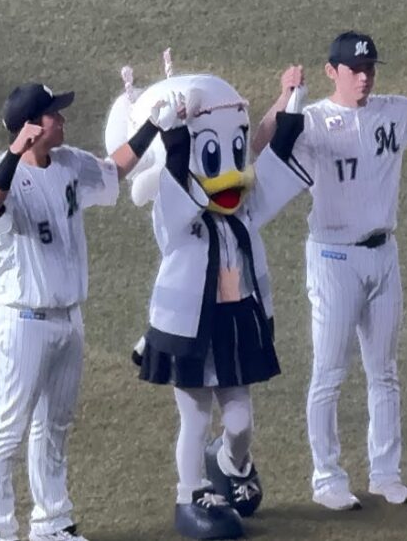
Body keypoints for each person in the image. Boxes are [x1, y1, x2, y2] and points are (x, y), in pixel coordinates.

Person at [252, 31, 407, 510]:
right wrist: (283, 95)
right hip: (333, 258)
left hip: (383, 254)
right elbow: (261, 142)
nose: (364, 77)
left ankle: (385, 473)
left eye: (370, 68)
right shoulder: (311, 120)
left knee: (385, 373)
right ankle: (328, 479)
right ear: (332, 72)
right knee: (329, 374)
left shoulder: (391, 110)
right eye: (355, 69)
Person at [125, 73, 313, 539]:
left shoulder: (242, 213)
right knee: (195, 416)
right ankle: (189, 493)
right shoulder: (175, 217)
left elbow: (275, 161)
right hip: (188, 329)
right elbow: (174, 176)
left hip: (235, 323)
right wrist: (174, 134)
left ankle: (230, 462)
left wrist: (291, 102)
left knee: (240, 420)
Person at [0, 82, 160, 541]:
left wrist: (154, 125)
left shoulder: (70, 161)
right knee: (7, 429)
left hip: (68, 319)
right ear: (32, 127)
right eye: (54, 114)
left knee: (53, 426)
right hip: (21, 322)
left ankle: (51, 524)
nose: (63, 119)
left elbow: (115, 169)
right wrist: (15, 153)